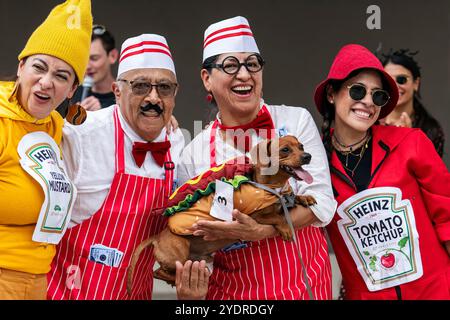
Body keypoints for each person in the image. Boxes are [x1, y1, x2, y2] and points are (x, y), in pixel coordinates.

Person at [178, 16, 337, 300]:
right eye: (230, 65)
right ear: (206, 79)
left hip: (303, 285)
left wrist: (262, 231)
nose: (244, 75)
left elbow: (322, 201)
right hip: (232, 294)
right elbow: (192, 235)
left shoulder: (295, 120)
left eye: (252, 64)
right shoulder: (194, 152)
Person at [47, 33, 209, 300]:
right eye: (141, 86)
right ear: (117, 91)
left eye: (164, 88)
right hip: (65, 292)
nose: (154, 98)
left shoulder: (178, 142)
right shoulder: (82, 134)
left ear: (175, 94)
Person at [315, 43, 450, 299]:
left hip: (435, 291)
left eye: (378, 96)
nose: (367, 101)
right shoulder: (315, 162)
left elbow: (448, 217)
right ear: (332, 94)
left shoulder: (411, 142)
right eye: (357, 90)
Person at [0, 0, 92, 300]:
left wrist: (162, 121)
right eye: (39, 67)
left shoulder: (53, 126)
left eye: (61, 76)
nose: (46, 82)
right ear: (20, 66)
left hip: (40, 278)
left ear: (71, 90)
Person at [380, 49, 445, 157]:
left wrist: (410, 138)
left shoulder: (431, 129)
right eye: (388, 81)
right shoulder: (370, 121)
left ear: (416, 83)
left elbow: (429, 172)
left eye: (401, 79)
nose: (394, 86)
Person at [56, 24, 118, 116]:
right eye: (83, 60)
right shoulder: (70, 92)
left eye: (94, 58)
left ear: (113, 56)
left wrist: (100, 116)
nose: (87, 66)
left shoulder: (125, 97)